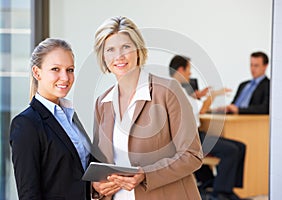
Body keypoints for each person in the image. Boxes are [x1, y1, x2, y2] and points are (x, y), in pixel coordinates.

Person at [91, 16, 203, 200]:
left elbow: (192, 155)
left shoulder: (168, 91)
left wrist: (146, 174)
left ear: (138, 50)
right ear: (103, 57)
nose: (118, 56)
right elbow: (101, 162)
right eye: (110, 49)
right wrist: (96, 185)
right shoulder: (102, 103)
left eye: (126, 47)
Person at [9, 38, 92, 199]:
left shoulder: (70, 117)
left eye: (70, 70)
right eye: (55, 69)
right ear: (36, 72)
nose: (65, 78)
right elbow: (29, 194)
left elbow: (74, 177)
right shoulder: (26, 124)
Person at [169, 55, 246, 200]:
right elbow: (202, 109)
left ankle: (225, 189)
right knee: (232, 150)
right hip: (191, 140)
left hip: (193, 135)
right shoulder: (177, 88)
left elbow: (193, 108)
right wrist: (213, 95)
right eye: (188, 70)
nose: (190, 74)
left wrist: (198, 96)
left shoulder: (175, 87)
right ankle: (220, 193)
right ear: (180, 69)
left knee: (240, 147)